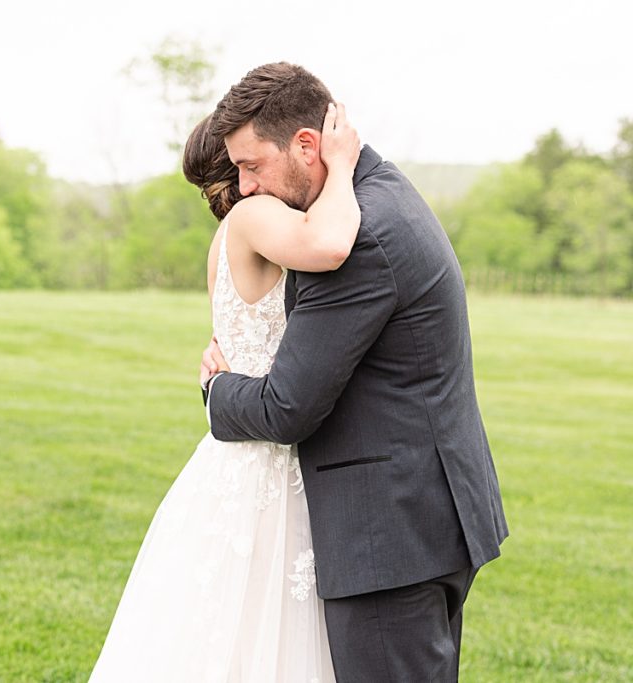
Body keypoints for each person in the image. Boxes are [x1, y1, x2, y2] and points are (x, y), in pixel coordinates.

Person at [201, 62, 509, 682]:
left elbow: (288, 407)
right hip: (422, 515)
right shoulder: (384, 189)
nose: (243, 186)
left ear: (307, 145)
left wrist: (216, 390)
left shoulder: (358, 237)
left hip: (390, 536)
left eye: (252, 165)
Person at [89, 103, 361, 682]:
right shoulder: (257, 215)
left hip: (235, 453)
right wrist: (340, 167)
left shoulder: (222, 239)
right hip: (273, 458)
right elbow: (331, 243)